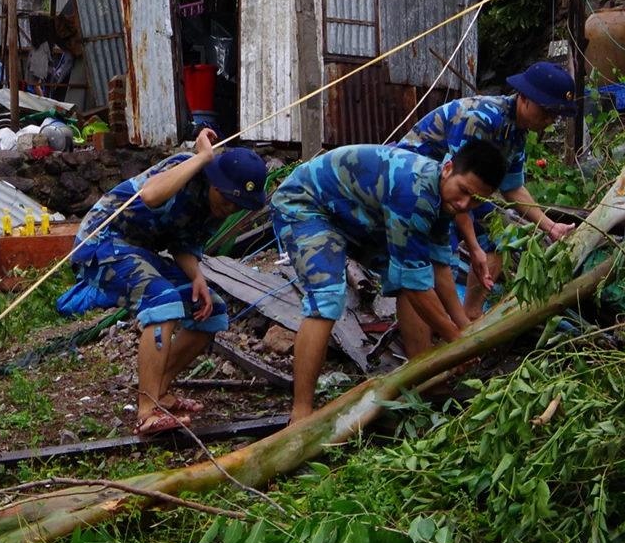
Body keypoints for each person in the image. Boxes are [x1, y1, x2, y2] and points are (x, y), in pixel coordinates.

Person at [271, 139, 505, 421]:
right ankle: (301, 415)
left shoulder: (444, 199)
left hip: (357, 212)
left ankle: (422, 381)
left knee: (419, 274)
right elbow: (415, 287)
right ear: (448, 169)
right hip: (307, 203)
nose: (464, 204)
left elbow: (438, 268)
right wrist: (457, 340)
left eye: (476, 200)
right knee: (327, 297)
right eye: (464, 191)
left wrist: (463, 327)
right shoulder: (414, 193)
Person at [62, 129, 271, 436]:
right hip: (102, 243)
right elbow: (150, 195)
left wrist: (197, 276)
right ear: (214, 182)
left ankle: (159, 391)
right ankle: (146, 412)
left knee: (211, 311)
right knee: (162, 301)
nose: (229, 209)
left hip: (140, 251)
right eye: (227, 199)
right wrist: (201, 157)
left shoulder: (215, 208)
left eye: (237, 206)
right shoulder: (186, 167)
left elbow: (184, 245)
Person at [397, 61, 580, 321]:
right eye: (546, 111)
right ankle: (444, 327)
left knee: (502, 233)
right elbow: (455, 187)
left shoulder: (517, 133)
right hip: (419, 184)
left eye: (556, 115)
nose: (550, 120)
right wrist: (473, 248)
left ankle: (470, 313)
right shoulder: (480, 117)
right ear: (524, 99)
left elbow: (513, 187)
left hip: (456, 189)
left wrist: (550, 227)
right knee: (441, 254)